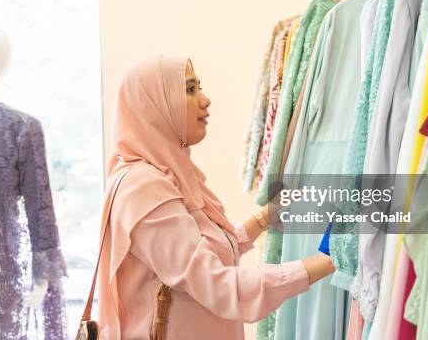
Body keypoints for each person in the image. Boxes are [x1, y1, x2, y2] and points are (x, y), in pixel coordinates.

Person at [97, 55, 334, 339]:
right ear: (155, 105)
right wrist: (325, 262)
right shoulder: (143, 188)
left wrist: (266, 216)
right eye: (189, 89)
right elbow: (217, 285)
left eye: (199, 87)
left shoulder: (168, 174)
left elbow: (206, 251)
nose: (205, 99)